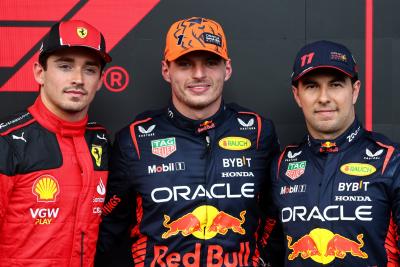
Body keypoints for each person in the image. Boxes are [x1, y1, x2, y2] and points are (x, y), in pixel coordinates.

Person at [96, 17, 279, 266]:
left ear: (227, 69)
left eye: (211, 62)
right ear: (166, 70)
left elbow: (278, 216)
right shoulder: (135, 139)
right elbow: (108, 229)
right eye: (185, 64)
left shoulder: (258, 132)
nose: (199, 74)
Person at [265, 40, 400, 266]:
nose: (324, 97)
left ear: (354, 91)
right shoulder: (281, 167)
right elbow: (269, 252)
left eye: (336, 85)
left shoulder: (390, 161)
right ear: (297, 95)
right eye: (311, 86)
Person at [0, 20, 112, 266]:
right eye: (64, 66)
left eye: (90, 69)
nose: (78, 79)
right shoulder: (7, 142)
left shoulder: (100, 140)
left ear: (101, 80)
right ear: (40, 73)